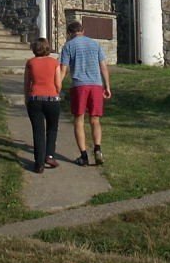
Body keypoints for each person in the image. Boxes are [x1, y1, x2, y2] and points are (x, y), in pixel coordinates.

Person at [59, 20, 111, 166]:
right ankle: (98, 149)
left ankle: (83, 155)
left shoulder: (68, 46)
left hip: (79, 85)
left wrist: (57, 86)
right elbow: (103, 67)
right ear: (83, 31)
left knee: (79, 120)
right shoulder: (95, 44)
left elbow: (64, 69)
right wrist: (107, 86)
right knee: (95, 120)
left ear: (69, 33)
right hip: (96, 85)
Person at [23, 37, 65, 174]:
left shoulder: (30, 63)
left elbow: (27, 83)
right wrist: (57, 93)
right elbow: (58, 84)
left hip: (35, 99)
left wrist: (26, 99)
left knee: (38, 131)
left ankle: (39, 163)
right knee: (52, 128)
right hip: (52, 99)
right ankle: (50, 155)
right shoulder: (54, 62)